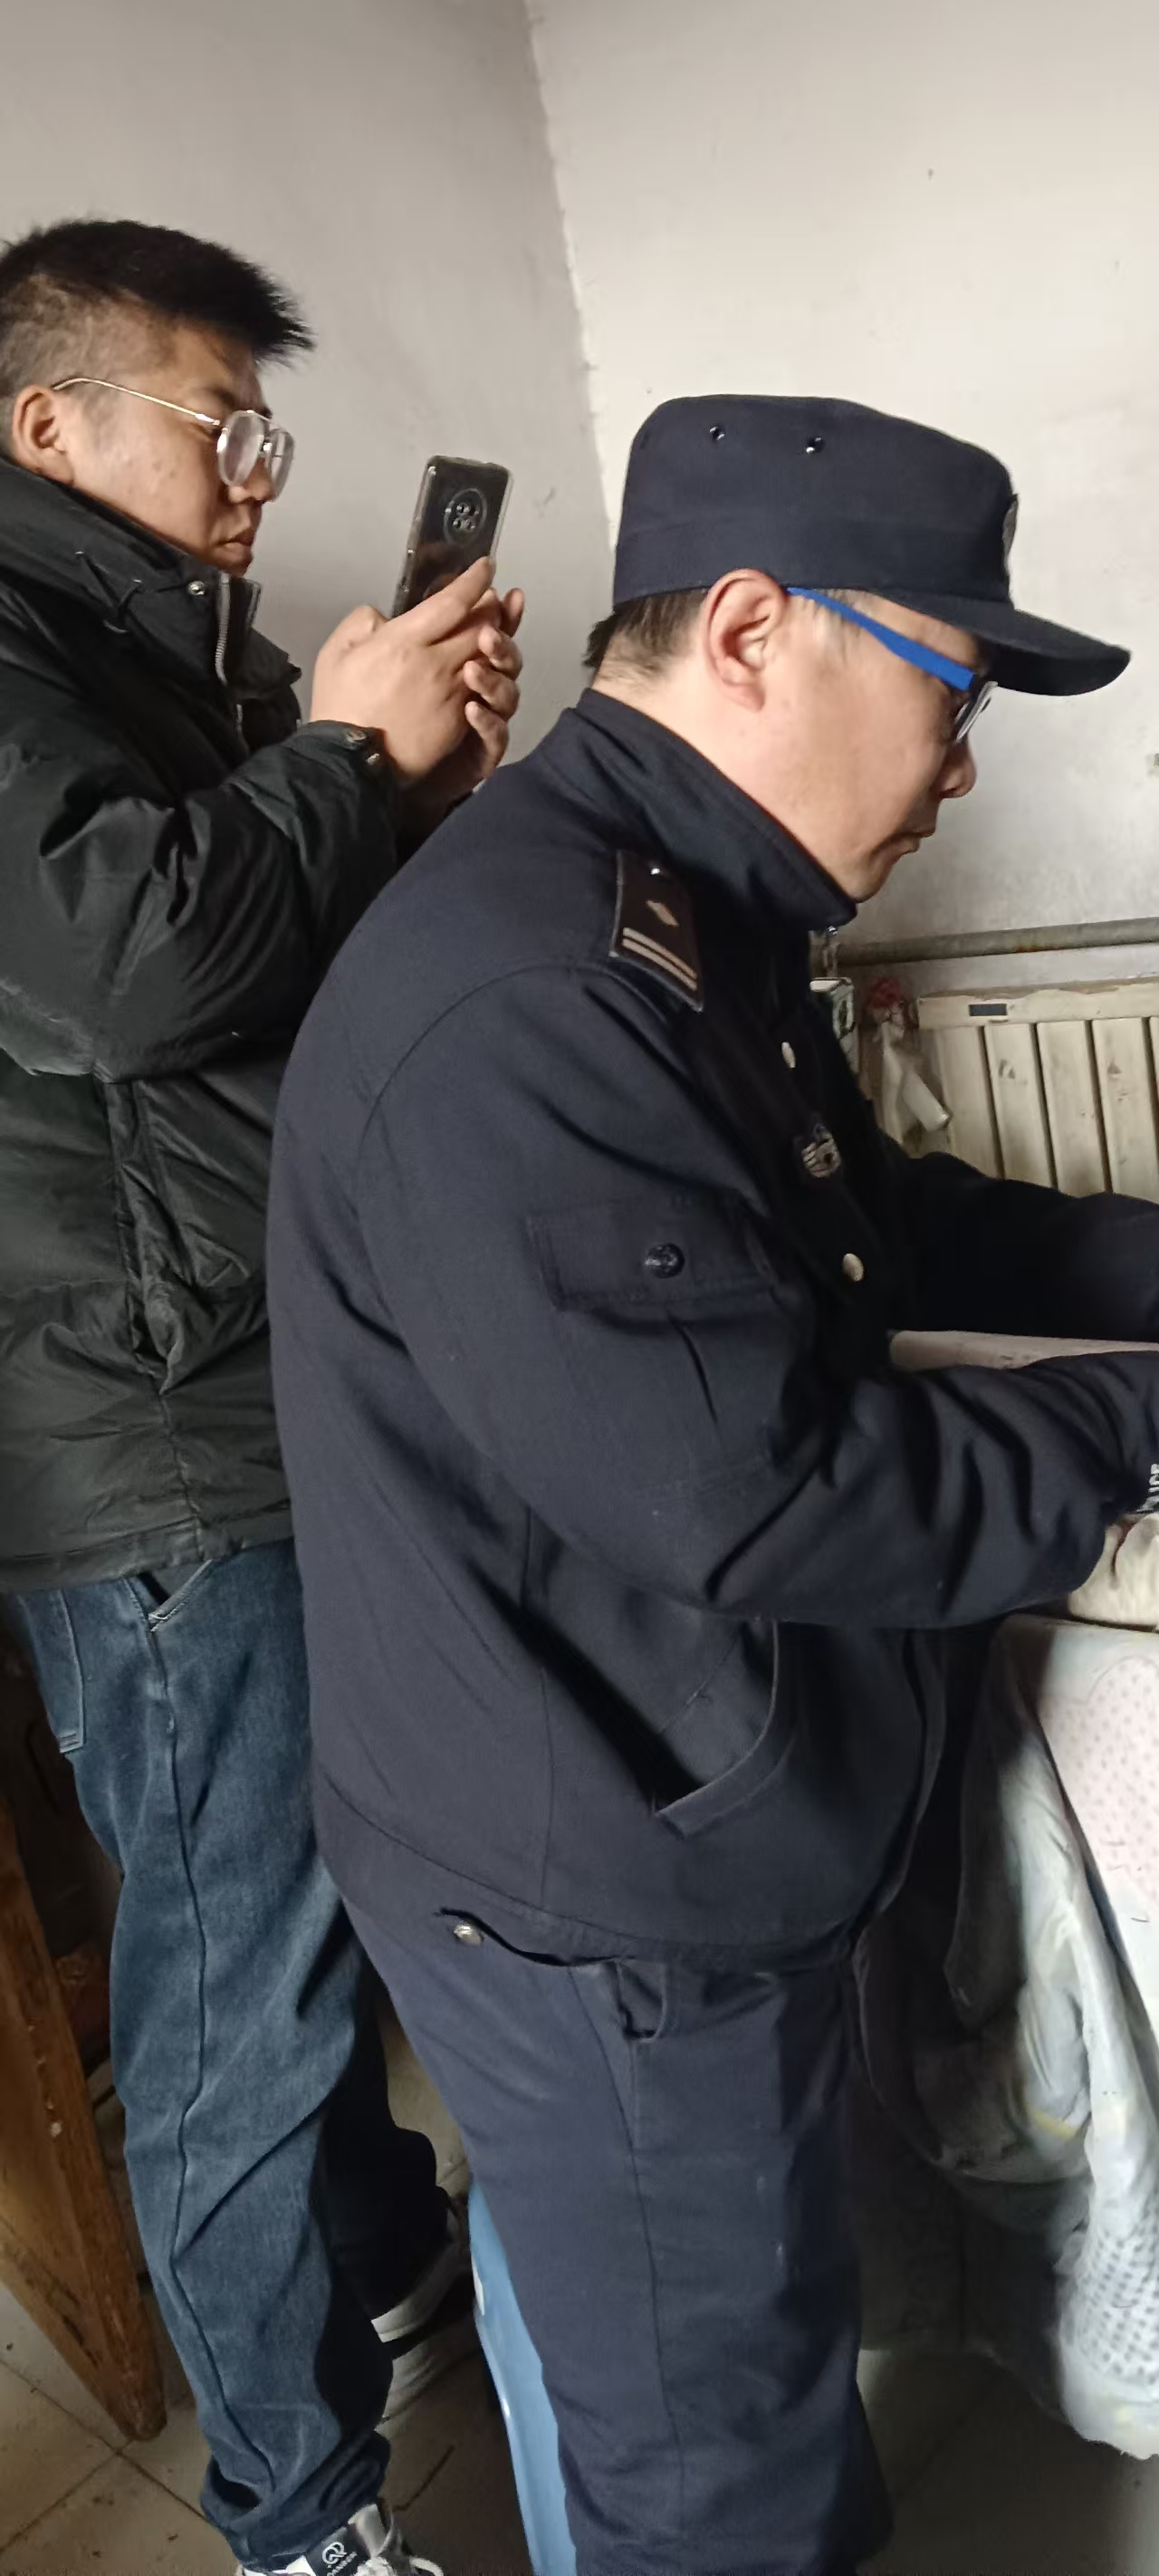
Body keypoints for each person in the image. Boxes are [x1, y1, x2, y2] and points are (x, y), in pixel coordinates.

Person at [267, 389, 1159, 2576]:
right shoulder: (545, 990)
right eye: (955, 686)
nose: (962, 762)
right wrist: (1132, 1416)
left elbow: (864, 1228)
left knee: (654, 2359)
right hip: (597, 1875)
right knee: (723, 2469)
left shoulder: (678, 906)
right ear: (754, 630)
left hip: (616, 1778)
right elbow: (763, 1498)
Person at [0, 216, 522, 2576]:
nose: (251, 476)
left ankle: (382, 2257)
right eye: (220, 425)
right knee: (236, 1990)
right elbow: (124, 969)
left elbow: (258, 976)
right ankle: (302, 2514)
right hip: (148, 1431)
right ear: (48, 425)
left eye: (261, 434)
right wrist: (334, 754)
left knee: (305, 1919)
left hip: (258, 1368)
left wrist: (399, 798)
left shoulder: (162, 662)